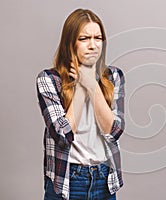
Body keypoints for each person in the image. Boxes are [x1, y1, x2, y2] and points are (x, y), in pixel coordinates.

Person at [36, 8, 125, 200]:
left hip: (104, 180)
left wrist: (92, 84)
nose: (92, 45)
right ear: (70, 43)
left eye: (98, 38)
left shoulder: (114, 76)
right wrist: (80, 87)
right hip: (68, 180)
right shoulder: (49, 80)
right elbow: (62, 135)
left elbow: (115, 130)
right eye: (84, 38)